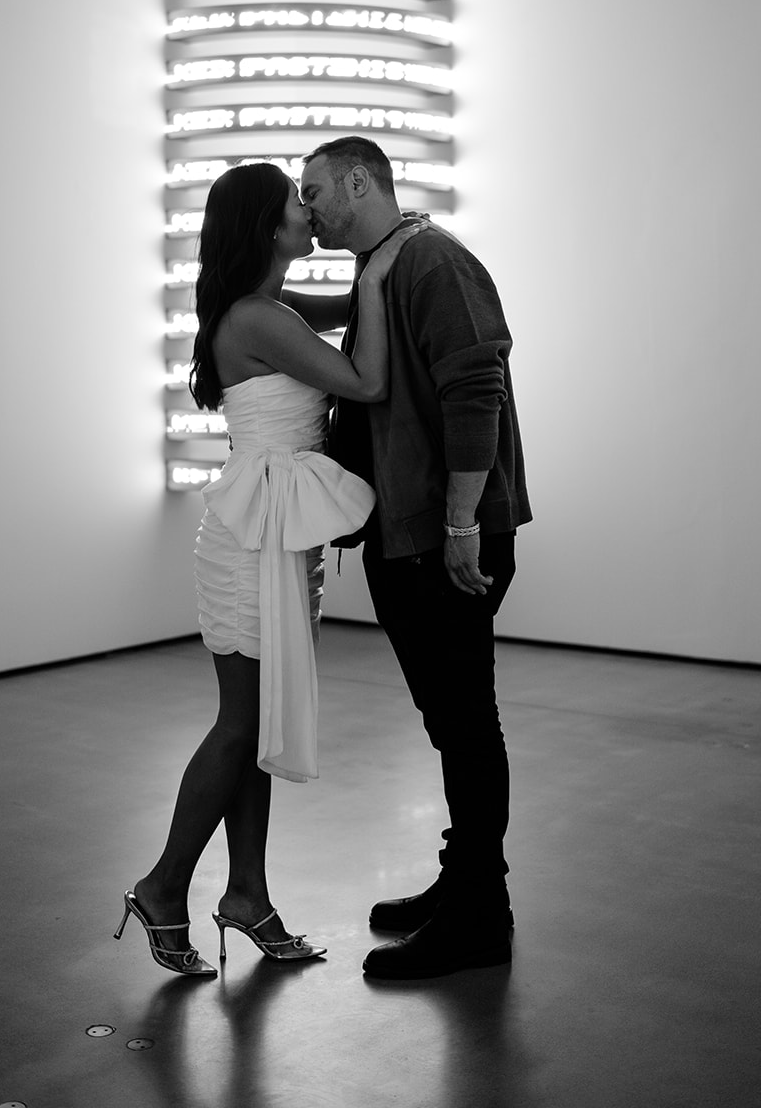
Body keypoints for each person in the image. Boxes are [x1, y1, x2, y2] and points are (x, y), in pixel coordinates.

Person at [116, 161, 421, 976]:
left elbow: (352, 308)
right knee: (242, 723)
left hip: (278, 540)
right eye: (296, 204)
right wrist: (384, 262)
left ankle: (246, 893)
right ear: (267, 225)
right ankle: (162, 886)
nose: (308, 212)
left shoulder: (272, 307)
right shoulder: (256, 317)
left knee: (258, 723)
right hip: (252, 545)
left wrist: (378, 261)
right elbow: (367, 377)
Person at [299, 136, 532, 980]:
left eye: (316, 190)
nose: (309, 207)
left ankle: (479, 915)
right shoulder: (380, 265)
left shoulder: (431, 259)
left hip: (446, 536)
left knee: (466, 722)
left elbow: (477, 386)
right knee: (449, 719)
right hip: (412, 534)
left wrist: (463, 524)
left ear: (360, 180)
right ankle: (465, 880)